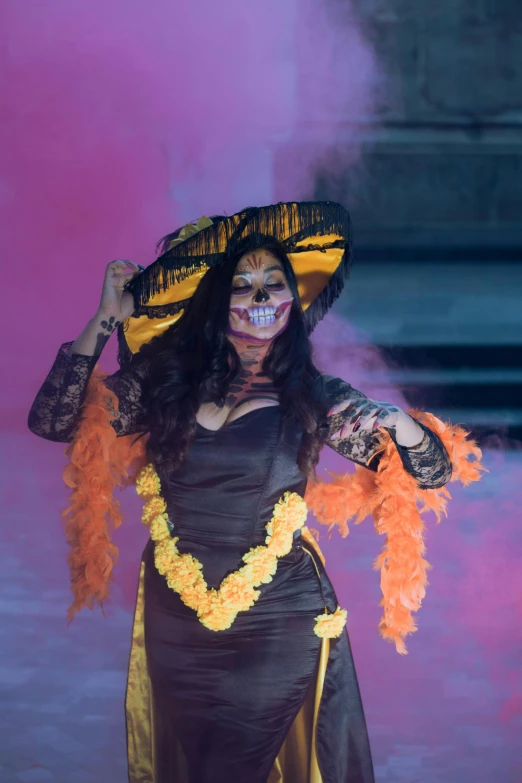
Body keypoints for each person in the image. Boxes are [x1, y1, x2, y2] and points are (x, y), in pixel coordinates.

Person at [28, 202, 479, 783]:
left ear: (293, 302)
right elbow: (55, 421)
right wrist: (105, 318)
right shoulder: (162, 380)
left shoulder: (313, 395)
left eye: (274, 284)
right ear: (216, 303)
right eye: (242, 285)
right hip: (177, 617)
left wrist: (401, 424)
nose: (261, 297)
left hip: (278, 615)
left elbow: (432, 471)